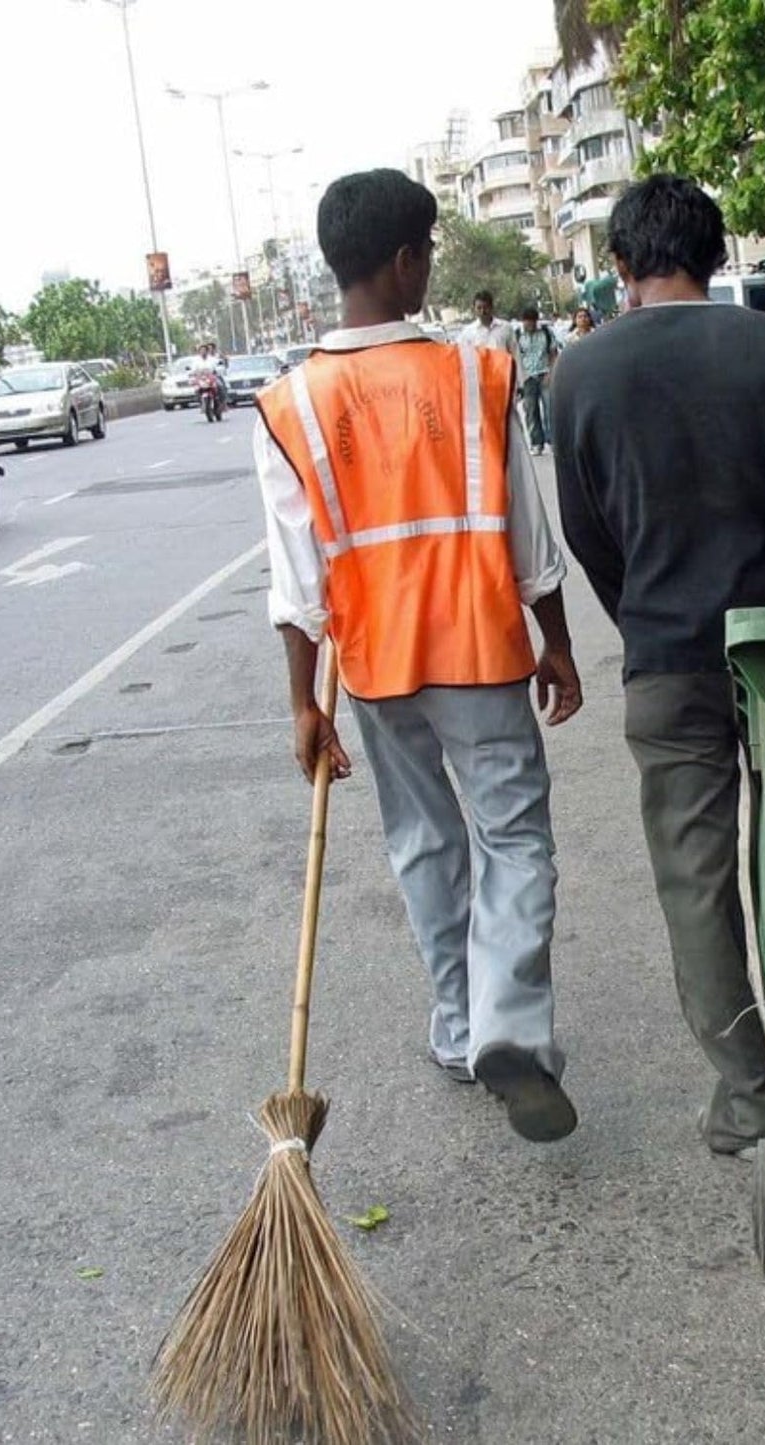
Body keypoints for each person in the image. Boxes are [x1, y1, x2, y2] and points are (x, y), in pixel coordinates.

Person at [255, 168, 584, 1143]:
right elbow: (529, 537)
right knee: (513, 839)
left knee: (424, 841)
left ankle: (457, 1024)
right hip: (478, 647)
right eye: (428, 250)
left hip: (375, 667)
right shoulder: (476, 374)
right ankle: (507, 1024)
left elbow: (295, 581)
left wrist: (304, 704)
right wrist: (557, 643)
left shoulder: (291, 403)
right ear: (404, 261)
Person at [550, 175, 765, 1160]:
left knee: (696, 885)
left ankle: (749, 1095)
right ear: (716, 255)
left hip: (665, 663)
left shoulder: (575, 376)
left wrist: (642, 615)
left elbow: (588, 535)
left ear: (620, 266)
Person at [515, 305, 557, 457]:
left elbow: (553, 352)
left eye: (532, 322)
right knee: (531, 411)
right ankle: (536, 443)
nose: (529, 325)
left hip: (545, 374)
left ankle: (553, 441)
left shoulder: (545, 332)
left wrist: (551, 372)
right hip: (527, 377)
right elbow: (515, 357)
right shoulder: (517, 335)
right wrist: (519, 378)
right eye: (526, 322)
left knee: (550, 409)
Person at [458, 290, 516, 357]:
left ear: (491, 307)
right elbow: (463, 356)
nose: (482, 311)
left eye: (485, 307)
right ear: (474, 309)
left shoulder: (505, 328)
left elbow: (515, 353)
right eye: (479, 308)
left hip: (502, 363)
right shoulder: (468, 332)